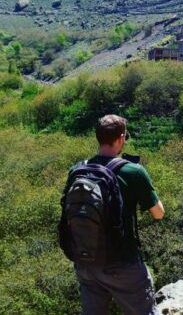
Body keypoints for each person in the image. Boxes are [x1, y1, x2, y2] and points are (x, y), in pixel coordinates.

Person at [62, 114, 165, 315]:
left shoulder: (77, 170)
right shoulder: (133, 171)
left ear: (98, 138)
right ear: (121, 138)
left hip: (86, 262)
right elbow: (159, 214)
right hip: (122, 263)